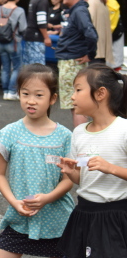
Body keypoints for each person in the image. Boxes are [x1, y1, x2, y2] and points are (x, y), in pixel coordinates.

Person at [0, 64, 74, 258]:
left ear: (52, 98)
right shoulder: (9, 132)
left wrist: (47, 198)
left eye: (39, 95)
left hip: (58, 220)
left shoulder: (65, 137)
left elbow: (69, 180)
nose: (31, 101)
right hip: (20, 216)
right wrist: (14, 202)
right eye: (25, 94)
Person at [57, 64, 127, 257]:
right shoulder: (79, 132)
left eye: (78, 90)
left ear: (100, 93)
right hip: (83, 212)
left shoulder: (123, 129)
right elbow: (82, 179)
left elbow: (109, 169)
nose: (72, 96)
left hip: (116, 216)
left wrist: (111, 168)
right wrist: (70, 172)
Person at [56, 0, 97, 127]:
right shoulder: (77, 11)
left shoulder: (79, 11)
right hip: (72, 60)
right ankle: (81, 141)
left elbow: (91, 34)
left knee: (76, 105)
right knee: (77, 105)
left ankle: (80, 143)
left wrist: (90, 54)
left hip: (72, 62)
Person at [0, 0, 27, 100]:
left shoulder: (0, 9)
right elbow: (23, 28)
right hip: (14, 42)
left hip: (0, 43)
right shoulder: (19, 10)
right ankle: (12, 91)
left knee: (5, 67)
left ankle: (6, 91)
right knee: (17, 67)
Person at [23, 0, 55, 65]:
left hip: (29, 36)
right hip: (36, 38)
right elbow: (41, 21)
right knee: (37, 68)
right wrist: (46, 37)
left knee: (29, 67)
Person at [84, 0, 113, 66]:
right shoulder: (103, 3)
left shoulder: (92, 1)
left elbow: (89, 20)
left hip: (95, 47)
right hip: (103, 47)